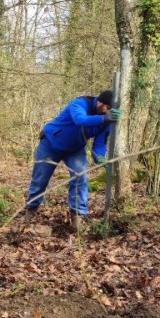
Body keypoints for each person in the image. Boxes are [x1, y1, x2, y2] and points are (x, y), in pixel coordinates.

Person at [25, 90, 119, 228]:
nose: (107, 111)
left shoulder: (106, 121)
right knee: (40, 180)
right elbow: (79, 119)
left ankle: (77, 218)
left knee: (80, 178)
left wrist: (100, 159)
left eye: (111, 110)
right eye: (107, 108)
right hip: (50, 143)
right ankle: (30, 212)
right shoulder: (80, 103)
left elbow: (99, 145)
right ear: (99, 102)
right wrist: (103, 119)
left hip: (75, 149)